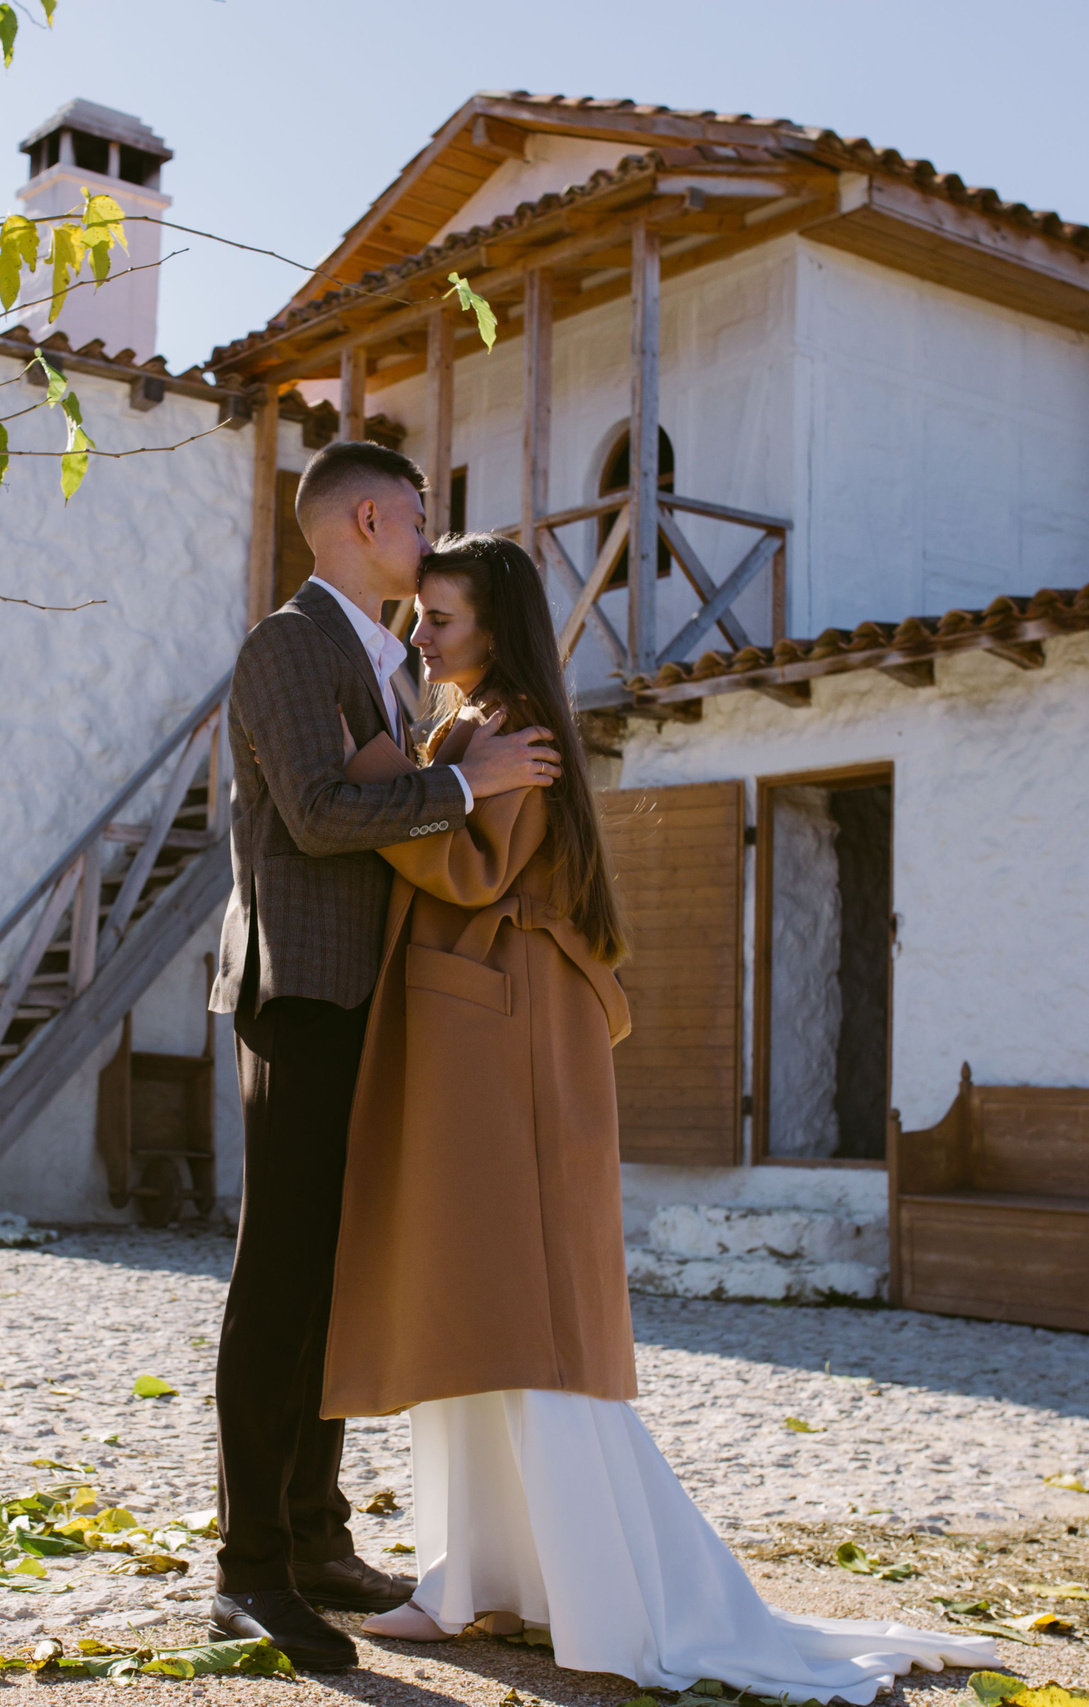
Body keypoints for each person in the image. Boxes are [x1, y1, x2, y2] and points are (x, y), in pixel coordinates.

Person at [327, 534, 999, 1703]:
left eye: (439, 619)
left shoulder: (508, 726)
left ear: (495, 625)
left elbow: (466, 871)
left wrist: (383, 774)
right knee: (470, 1303)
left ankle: (579, 1588)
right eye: (419, 618)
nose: (419, 638)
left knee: (516, 1309)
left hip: (502, 1038)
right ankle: (473, 1576)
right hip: (477, 1032)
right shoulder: (477, 721)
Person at [205, 446, 564, 1674]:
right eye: (420, 515)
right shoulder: (287, 646)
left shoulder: (376, 655)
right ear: (370, 517)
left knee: (338, 1277)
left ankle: (314, 1537)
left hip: (368, 999)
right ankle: (249, 1570)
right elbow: (313, 815)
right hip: (301, 994)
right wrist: (461, 785)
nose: (429, 532)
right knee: (284, 1278)